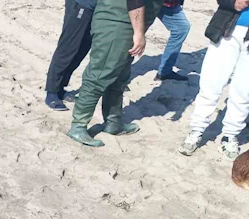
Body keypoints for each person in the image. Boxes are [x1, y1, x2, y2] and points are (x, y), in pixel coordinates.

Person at [178, 0, 249, 160]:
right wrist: (232, 3)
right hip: (226, 29)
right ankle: (197, 130)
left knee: (245, 89)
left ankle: (230, 135)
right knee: (211, 83)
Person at [67, 0, 146, 146]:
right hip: (116, 24)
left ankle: (113, 123)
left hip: (126, 24)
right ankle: (78, 126)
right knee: (99, 75)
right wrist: (139, 32)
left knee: (119, 77)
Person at [45, 0, 97, 111]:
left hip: (98, 9)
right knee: (68, 47)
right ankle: (52, 91)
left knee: (82, 50)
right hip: (82, 4)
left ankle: (60, 88)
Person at [155, 0, 191, 80]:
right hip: (145, 3)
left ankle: (165, 71)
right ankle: (120, 75)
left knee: (181, 28)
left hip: (169, 4)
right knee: (131, 31)